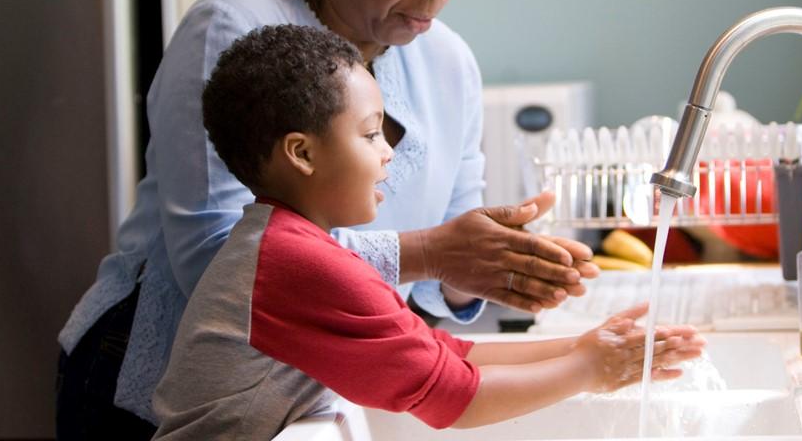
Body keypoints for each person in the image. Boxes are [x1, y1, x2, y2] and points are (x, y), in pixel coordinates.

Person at [56, 0, 599, 438]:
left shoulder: (450, 62)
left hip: (298, 403)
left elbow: (436, 280)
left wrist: (490, 266)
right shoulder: (235, 27)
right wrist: (428, 252)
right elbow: (218, 260)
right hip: (149, 391)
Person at [152, 24, 705, 438]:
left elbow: (443, 351)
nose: (389, 152)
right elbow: (451, 397)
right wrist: (590, 369)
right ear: (302, 153)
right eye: (370, 135)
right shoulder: (293, 263)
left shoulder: (290, 245)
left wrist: (584, 346)